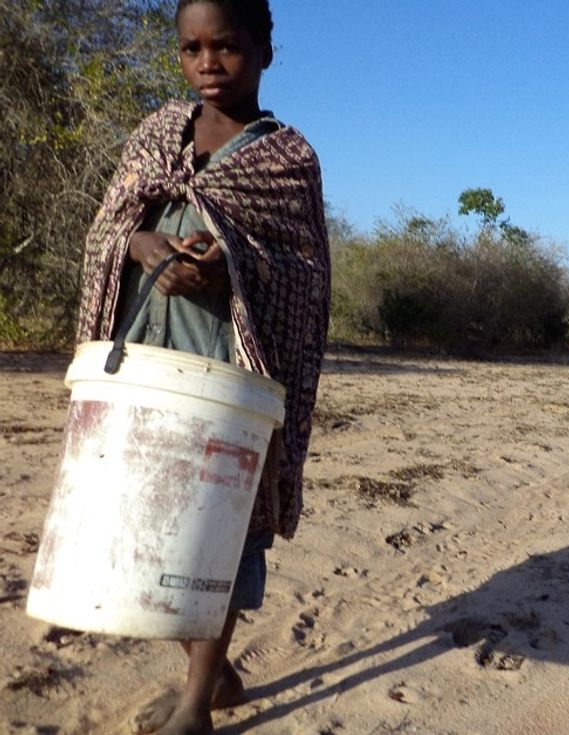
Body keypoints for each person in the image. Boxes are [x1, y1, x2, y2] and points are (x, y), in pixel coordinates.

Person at [74, 1, 330, 733]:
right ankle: (213, 671)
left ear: (265, 50)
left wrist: (234, 265)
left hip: (227, 364)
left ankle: (196, 698)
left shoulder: (287, 158)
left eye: (227, 46)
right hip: (146, 350)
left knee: (218, 525)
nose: (208, 63)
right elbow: (110, 224)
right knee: (148, 515)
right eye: (191, 48)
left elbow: (307, 274)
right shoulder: (157, 133)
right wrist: (142, 243)